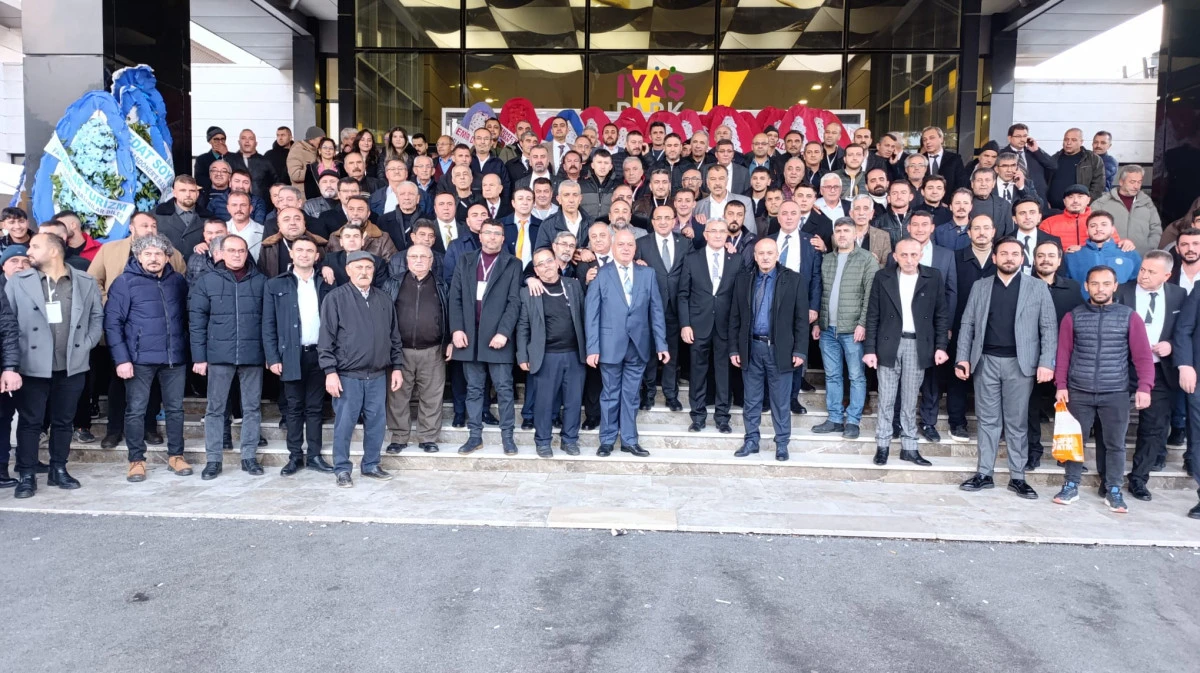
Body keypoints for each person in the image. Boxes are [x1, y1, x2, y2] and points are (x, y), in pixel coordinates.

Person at [955, 237, 1058, 499]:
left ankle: (1018, 477)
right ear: (994, 258)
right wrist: (962, 357)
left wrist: (1046, 362)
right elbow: (967, 324)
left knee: (1016, 422)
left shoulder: (1037, 287)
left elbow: (1048, 328)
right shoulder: (980, 286)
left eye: (1014, 254)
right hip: (985, 361)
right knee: (987, 420)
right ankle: (984, 474)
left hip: (1020, 364)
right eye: (1003, 253)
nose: (1009, 258)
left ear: (1022, 259)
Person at [7, 233, 103, 498]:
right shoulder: (18, 282)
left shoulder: (84, 281)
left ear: (53, 251)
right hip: (31, 365)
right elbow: (7, 322)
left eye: (34, 246)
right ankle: (27, 474)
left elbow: (97, 316)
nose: (28, 251)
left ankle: (58, 469)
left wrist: (87, 344)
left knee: (64, 421)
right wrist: (11, 363)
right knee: (30, 422)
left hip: (72, 364)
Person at [1052, 265, 1154, 512]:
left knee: (1115, 444)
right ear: (1086, 286)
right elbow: (1063, 354)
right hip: (1079, 390)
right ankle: (1071, 485)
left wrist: (1145, 387)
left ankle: (1114, 490)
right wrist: (1061, 385)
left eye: (1106, 284)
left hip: (1115, 391)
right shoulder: (1073, 317)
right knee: (1074, 442)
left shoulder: (1129, 317)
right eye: (1095, 284)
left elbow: (1142, 356)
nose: (1100, 289)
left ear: (1115, 286)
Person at [103, 234, 190, 483]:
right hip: (138, 358)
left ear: (167, 257)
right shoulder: (124, 282)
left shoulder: (178, 281)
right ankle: (136, 461)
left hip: (174, 357)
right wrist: (122, 360)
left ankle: (176, 456)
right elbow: (112, 323)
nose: (153, 258)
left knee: (175, 409)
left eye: (158, 254)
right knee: (136, 410)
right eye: (148, 254)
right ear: (138, 257)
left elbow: (186, 316)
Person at [318, 251, 404, 488]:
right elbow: (325, 339)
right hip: (348, 376)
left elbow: (394, 337)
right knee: (344, 425)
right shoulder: (335, 298)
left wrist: (397, 367)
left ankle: (371, 464)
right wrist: (330, 372)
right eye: (358, 267)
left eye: (368, 267)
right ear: (348, 270)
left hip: (377, 375)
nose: (364, 272)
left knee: (376, 423)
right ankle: (342, 469)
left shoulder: (383, 299)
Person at [863, 238, 949, 467]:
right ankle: (882, 445)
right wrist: (869, 349)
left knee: (910, 400)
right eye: (904, 255)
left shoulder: (933, 277)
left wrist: (941, 346)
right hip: (888, 343)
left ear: (921, 255)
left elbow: (941, 315)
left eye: (913, 254)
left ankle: (909, 447)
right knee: (886, 398)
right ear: (895, 256)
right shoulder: (883, 276)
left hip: (917, 344)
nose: (909, 259)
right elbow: (873, 314)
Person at [188, 235, 267, 480]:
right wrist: (199, 358)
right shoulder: (206, 281)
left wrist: (270, 355)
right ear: (221, 253)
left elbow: (269, 322)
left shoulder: (261, 281)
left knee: (252, 408)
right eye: (231, 250)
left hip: (252, 355)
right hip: (219, 356)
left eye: (241, 250)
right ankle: (213, 459)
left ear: (247, 253)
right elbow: (197, 322)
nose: (237, 255)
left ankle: (249, 457)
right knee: (215, 409)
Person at [586, 229, 668, 458]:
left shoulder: (647, 274)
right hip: (609, 346)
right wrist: (592, 348)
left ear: (635, 248)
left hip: (638, 345)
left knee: (631, 396)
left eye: (630, 245)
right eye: (621, 244)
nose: (625, 248)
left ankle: (630, 440)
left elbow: (656, 311)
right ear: (613, 247)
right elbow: (592, 314)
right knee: (610, 394)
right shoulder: (601, 274)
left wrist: (661, 344)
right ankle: (607, 440)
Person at [1110, 252, 1185, 501]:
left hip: (1160, 370)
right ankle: (1109, 478)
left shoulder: (1179, 295)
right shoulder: (1122, 291)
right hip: (1122, 367)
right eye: (1143, 269)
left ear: (1167, 275)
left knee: (1154, 427)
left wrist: (1171, 344)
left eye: (1152, 272)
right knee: (1112, 423)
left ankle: (1139, 479)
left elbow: (1186, 329)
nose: (1144, 275)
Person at [262, 234, 336, 476]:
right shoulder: (276, 285)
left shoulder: (326, 283)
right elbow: (268, 324)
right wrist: (273, 357)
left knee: (315, 408)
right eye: (300, 250)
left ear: (317, 256)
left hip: (319, 354)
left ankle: (314, 455)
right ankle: (295, 456)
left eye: (309, 251)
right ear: (291, 254)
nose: (304, 254)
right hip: (290, 355)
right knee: (293, 408)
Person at [729, 238, 808, 461]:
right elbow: (735, 317)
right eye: (761, 253)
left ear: (777, 255)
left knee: (780, 401)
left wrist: (800, 351)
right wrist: (734, 349)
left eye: (769, 253)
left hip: (780, 350)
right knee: (751, 399)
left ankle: (781, 443)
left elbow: (801, 319)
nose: (765, 257)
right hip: (751, 347)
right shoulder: (744, 280)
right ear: (755, 256)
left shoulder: (793, 279)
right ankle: (751, 440)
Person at [449, 219, 523, 455]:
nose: (492, 237)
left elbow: (514, 302)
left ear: (503, 238)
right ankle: (474, 437)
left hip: (497, 338)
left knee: (504, 389)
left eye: (497, 233)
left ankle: (507, 437)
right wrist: (456, 329)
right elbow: (455, 297)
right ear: (479, 236)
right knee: (474, 389)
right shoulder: (466, 260)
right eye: (488, 232)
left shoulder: (513, 263)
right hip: (469, 336)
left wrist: (504, 332)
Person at [811, 217, 878, 440]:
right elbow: (821, 292)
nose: (841, 235)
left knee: (857, 376)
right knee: (832, 375)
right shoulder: (827, 259)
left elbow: (871, 296)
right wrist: (817, 322)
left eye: (846, 231)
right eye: (838, 231)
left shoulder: (866, 259)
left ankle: (853, 421)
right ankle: (835, 419)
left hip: (852, 330)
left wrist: (863, 324)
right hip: (827, 329)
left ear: (855, 234)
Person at [516, 248, 588, 457]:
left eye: (549, 261)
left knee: (574, 401)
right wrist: (522, 356)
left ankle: (570, 440)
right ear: (536, 270)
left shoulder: (573, 286)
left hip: (575, 354)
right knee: (544, 403)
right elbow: (523, 326)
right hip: (545, 356)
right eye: (540, 264)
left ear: (557, 263)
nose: (546, 266)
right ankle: (543, 441)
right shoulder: (528, 292)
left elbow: (585, 316)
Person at [385, 244, 449, 455]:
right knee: (397, 396)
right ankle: (399, 437)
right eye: (414, 256)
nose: (419, 260)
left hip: (432, 350)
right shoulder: (393, 283)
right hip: (400, 350)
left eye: (424, 256)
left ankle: (428, 438)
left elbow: (450, 314)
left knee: (432, 396)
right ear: (407, 260)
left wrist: (448, 341)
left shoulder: (442, 284)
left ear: (431, 261)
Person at [1025, 240, 1083, 470]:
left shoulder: (1073, 288)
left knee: (1066, 408)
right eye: (1040, 256)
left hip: (1065, 359)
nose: (1045, 260)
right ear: (1034, 260)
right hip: (1030, 358)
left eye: (1051, 256)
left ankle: (1066, 455)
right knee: (1029, 408)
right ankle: (1032, 452)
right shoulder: (1024, 285)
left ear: (1059, 261)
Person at [678, 219, 739, 433]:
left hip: (725, 326)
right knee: (698, 371)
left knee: (724, 372)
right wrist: (685, 324)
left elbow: (740, 297)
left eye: (722, 231)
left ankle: (722, 417)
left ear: (727, 235)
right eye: (713, 231)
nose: (718, 235)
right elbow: (683, 294)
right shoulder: (691, 259)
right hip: (697, 325)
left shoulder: (737, 259)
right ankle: (698, 417)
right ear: (705, 235)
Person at [635, 205, 688, 411]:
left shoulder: (685, 243)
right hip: (648, 309)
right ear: (653, 222)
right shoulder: (641, 243)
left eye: (668, 218)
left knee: (672, 353)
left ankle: (671, 394)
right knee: (649, 353)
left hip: (675, 307)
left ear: (674, 221)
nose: (663, 222)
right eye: (659, 218)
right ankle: (648, 394)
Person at [1091, 165, 1162, 254]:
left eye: (1139, 182)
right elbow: (1089, 228)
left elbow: (1156, 228)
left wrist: (1149, 247)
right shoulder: (1102, 203)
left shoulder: (1147, 203)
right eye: (1132, 182)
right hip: (1110, 256)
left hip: (1141, 256)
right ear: (1121, 182)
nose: (1136, 186)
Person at [1063, 211, 1142, 288]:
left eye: (1104, 225)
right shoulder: (1073, 256)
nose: (1098, 229)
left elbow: (1139, 283)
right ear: (1087, 231)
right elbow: (1065, 285)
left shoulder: (1129, 253)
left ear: (1112, 230)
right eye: (1093, 226)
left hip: (1121, 297)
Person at [1047, 128, 1106, 210]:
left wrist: (1084, 204)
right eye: (1066, 139)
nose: (1068, 143)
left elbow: (1098, 187)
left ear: (1081, 142)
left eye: (1073, 140)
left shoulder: (1093, 159)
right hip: (1054, 210)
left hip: (1080, 210)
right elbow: (1044, 183)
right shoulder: (1054, 158)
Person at [1011, 197, 1060, 275]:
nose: (1028, 217)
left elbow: (1059, 271)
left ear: (1039, 217)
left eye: (1032, 212)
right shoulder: (1004, 242)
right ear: (1014, 219)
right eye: (1022, 213)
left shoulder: (1053, 240)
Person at [968, 168, 1015, 238]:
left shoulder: (1004, 205)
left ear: (993, 183)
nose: (983, 184)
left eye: (987, 180)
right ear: (972, 183)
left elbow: (1009, 234)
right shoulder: (964, 203)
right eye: (979, 180)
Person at [921, 126, 968, 193]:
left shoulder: (954, 159)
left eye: (932, 138)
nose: (927, 142)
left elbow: (961, 183)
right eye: (924, 140)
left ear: (941, 139)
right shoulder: (920, 159)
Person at [194, 126, 228, 192]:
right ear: (210, 141)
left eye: (223, 139)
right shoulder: (201, 160)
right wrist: (219, 182)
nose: (220, 142)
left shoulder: (233, 158)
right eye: (216, 139)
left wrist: (227, 155)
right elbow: (199, 179)